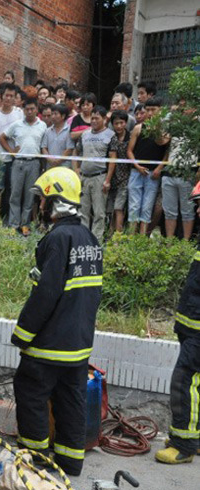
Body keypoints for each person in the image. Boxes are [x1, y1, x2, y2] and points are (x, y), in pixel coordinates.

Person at [11, 167, 102, 476]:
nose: (40, 206)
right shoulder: (89, 238)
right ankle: (71, 460)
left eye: (44, 200)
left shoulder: (58, 238)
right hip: (77, 346)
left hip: (49, 345)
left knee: (31, 392)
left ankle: (35, 459)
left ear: (55, 202)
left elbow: (46, 294)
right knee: (71, 400)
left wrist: (22, 334)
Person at [156, 180, 200, 464]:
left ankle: (183, 444)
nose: (197, 211)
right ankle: (193, 437)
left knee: (184, 381)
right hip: (192, 328)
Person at [0, 97, 47, 235]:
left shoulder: (42, 125)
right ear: (23, 110)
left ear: (37, 109)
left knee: (29, 195)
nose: (29, 112)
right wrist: (10, 151)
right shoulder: (17, 124)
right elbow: (2, 137)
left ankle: (25, 224)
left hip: (34, 163)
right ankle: (14, 224)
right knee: (15, 194)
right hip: (18, 163)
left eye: (32, 109)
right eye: (27, 109)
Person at [127, 97, 168, 235]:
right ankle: (132, 237)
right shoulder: (139, 128)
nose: (150, 113)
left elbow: (166, 152)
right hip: (136, 172)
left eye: (153, 110)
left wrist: (159, 168)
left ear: (160, 110)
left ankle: (143, 237)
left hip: (153, 174)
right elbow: (129, 151)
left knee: (147, 207)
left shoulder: (165, 130)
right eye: (148, 110)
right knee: (134, 206)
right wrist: (137, 166)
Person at [73, 106, 114, 242]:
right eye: (92, 118)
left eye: (97, 118)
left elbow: (113, 159)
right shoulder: (85, 134)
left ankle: (96, 240)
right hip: (84, 177)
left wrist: (107, 180)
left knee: (99, 212)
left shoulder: (110, 135)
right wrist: (76, 171)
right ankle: (83, 238)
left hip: (100, 177)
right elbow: (76, 152)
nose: (94, 121)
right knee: (83, 211)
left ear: (104, 119)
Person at [0, 83, 23, 219]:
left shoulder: (19, 113)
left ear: (15, 98)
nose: (8, 98)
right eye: (6, 95)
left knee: (12, 188)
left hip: (15, 157)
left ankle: (11, 217)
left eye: (11, 96)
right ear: (2, 96)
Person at [105, 110, 131, 233]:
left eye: (121, 123)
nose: (119, 126)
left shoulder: (131, 137)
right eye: (116, 123)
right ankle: (110, 233)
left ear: (126, 123)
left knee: (119, 208)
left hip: (125, 178)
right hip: (110, 177)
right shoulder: (110, 137)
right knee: (110, 208)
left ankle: (118, 236)